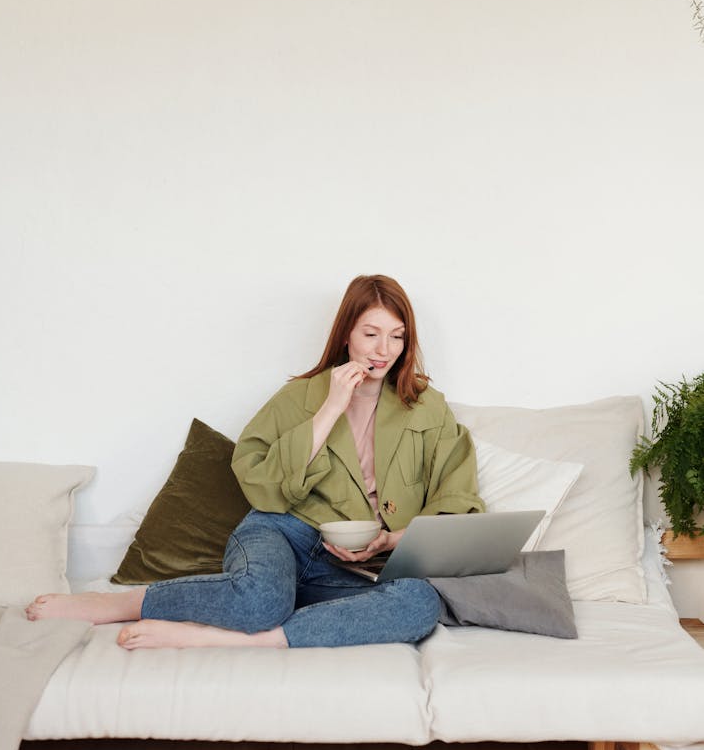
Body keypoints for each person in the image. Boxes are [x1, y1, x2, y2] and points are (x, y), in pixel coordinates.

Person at [26, 274, 483, 650]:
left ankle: (248, 642)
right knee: (260, 600)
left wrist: (388, 540)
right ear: (346, 333)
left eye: (397, 336)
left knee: (419, 602)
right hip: (283, 534)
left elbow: (457, 498)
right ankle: (121, 605)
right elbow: (260, 483)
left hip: (362, 566)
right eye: (371, 333)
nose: (384, 349)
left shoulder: (427, 407)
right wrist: (330, 407)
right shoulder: (300, 396)